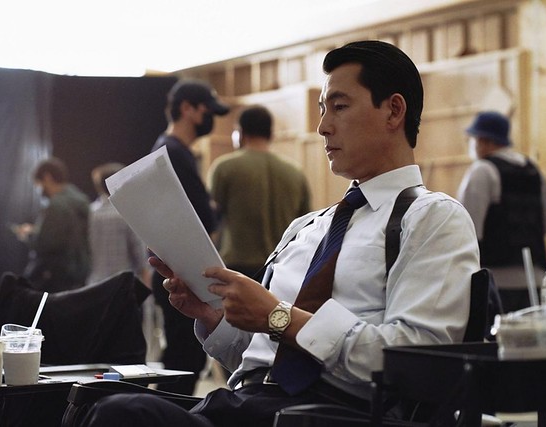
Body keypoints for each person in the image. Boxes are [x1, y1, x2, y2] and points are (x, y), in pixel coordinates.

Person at [82, 40, 480, 427]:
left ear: (393, 111)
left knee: (122, 414)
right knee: (95, 401)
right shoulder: (305, 228)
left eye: (339, 107)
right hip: (247, 404)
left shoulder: (432, 218)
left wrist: (281, 318)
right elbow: (259, 357)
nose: (322, 127)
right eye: (322, 109)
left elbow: (416, 362)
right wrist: (215, 317)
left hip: (329, 412)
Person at [149, 79, 230, 395]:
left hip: (176, 270)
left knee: (182, 359)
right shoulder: (173, 153)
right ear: (187, 109)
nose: (211, 119)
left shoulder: (169, 150)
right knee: (182, 363)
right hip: (181, 273)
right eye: (206, 111)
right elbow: (204, 216)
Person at [457, 111, 546, 313]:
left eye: (472, 139)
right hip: (536, 280)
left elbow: (466, 230)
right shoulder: (535, 172)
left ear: (483, 141)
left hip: (496, 283)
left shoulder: (482, 171)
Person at [208, 105, 311, 281]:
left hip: (237, 268)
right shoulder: (296, 173)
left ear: (240, 132)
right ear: (270, 134)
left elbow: (210, 220)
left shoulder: (225, 168)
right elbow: (306, 226)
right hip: (282, 268)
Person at [13, 157, 91, 293]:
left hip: (57, 278)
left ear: (47, 177)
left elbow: (45, 244)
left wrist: (28, 235)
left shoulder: (56, 205)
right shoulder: (81, 200)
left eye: (38, 183)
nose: (38, 189)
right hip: (80, 275)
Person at [87, 162, 150, 285]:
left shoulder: (90, 212)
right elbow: (139, 253)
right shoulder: (126, 212)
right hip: (123, 284)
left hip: (95, 283)